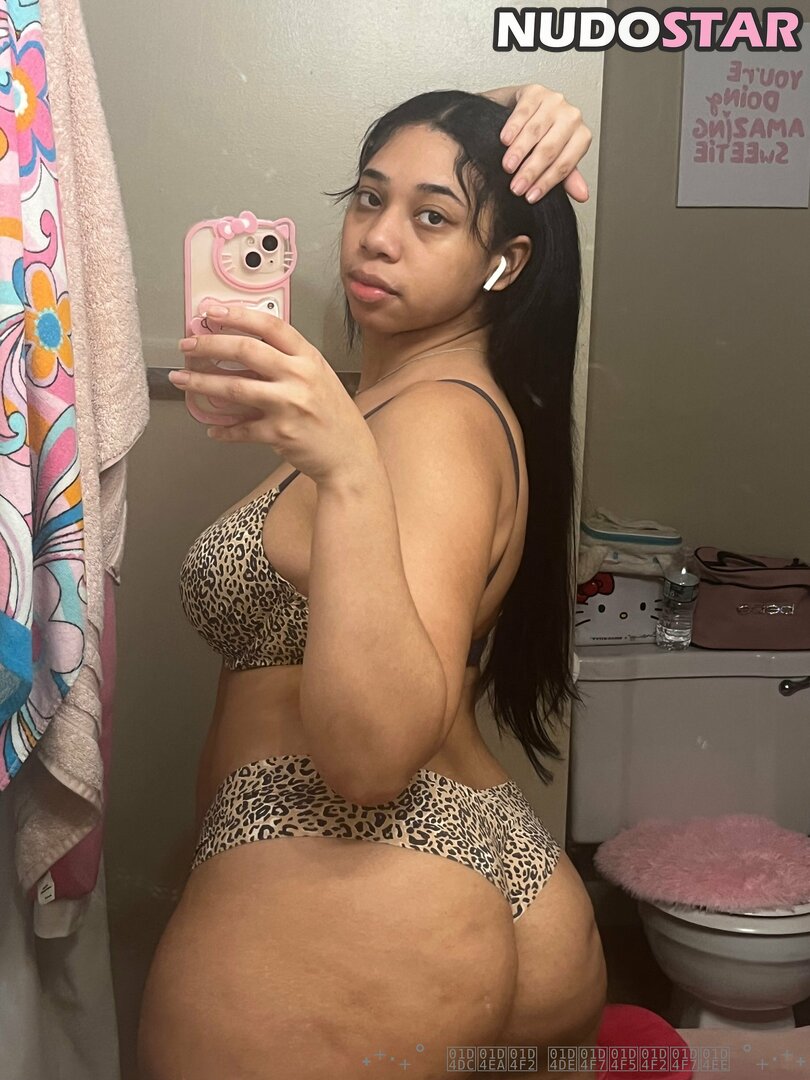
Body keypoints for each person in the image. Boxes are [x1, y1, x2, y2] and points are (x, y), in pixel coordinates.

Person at [139, 83, 605, 1080]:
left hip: (367, 880)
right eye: (367, 197)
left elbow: (371, 761)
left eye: (431, 217)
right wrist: (502, 111)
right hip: (427, 871)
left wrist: (348, 470)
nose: (378, 237)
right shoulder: (431, 392)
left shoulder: (432, 423)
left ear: (504, 261)